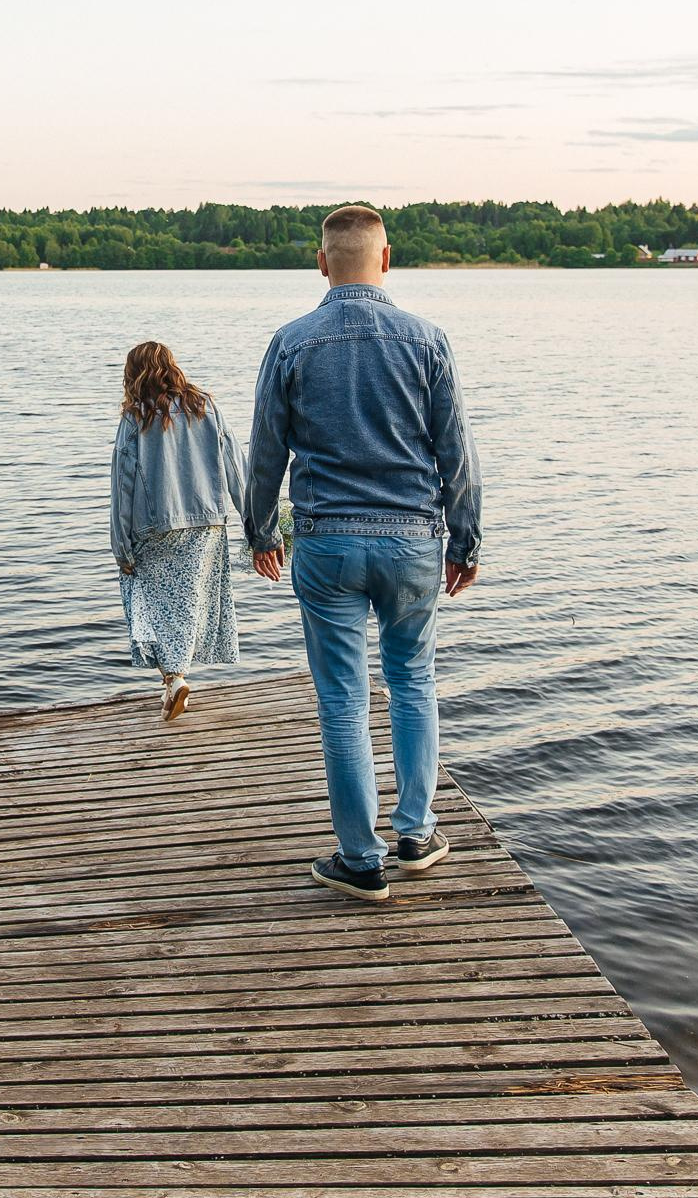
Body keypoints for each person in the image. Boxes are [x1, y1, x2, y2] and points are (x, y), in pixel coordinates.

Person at [245, 204, 482, 902]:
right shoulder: (427, 340)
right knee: (413, 683)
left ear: (322, 263)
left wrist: (261, 533)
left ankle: (360, 858)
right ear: (386, 259)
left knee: (344, 701)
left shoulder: (291, 342)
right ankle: (415, 834)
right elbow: (456, 453)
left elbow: (264, 454)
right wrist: (465, 539)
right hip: (413, 541)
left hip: (328, 543)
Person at [110, 341, 246, 721]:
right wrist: (254, 524)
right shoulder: (206, 407)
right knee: (189, 601)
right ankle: (175, 679)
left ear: (133, 373)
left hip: (154, 526)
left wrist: (121, 547)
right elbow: (237, 467)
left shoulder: (135, 417)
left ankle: (172, 678)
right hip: (207, 525)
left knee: (145, 600)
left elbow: (122, 485)